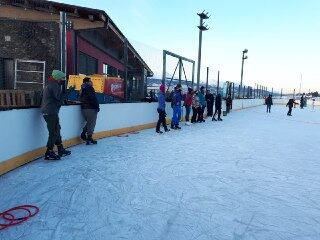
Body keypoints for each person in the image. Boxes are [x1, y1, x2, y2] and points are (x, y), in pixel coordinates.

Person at [41, 70, 71, 160]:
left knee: (57, 129)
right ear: (57, 78)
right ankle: (49, 152)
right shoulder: (54, 85)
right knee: (54, 131)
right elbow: (59, 99)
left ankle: (60, 148)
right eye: (62, 78)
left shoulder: (50, 84)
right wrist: (68, 92)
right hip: (50, 111)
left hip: (50, 111)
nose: (63, 80)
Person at [80, 77, 100, 145]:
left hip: (83, 108)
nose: (91, 82)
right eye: (90, 81)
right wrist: (97, 106)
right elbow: (93, 98)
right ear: (86, 82)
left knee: (89, 122)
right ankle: (89, 137)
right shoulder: (89, 88)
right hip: (90, 108)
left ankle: (83, 133)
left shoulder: (82, 88)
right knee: (92, 123)